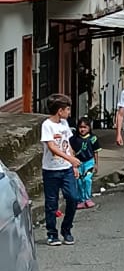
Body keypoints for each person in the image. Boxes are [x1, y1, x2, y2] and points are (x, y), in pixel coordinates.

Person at [41, 93, 81, 247]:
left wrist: (72, 164)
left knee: (73, 198)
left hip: (66, 170)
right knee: (51, 202)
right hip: (51, 170)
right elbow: (51, 147)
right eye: (67, 109)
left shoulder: (64, 124)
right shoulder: (47, 125)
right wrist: (69, 158)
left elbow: (67, 144)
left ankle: (66, 229)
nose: (69, 112)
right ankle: (52, 233)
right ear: (60, 110)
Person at [70, 117, 100, 208]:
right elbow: (71, 151)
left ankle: (87, 198)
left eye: (85, 127)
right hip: (78, 163)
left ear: (89, 128)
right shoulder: (74, 139)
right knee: (79, 181)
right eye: (80, 127)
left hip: (89, 162)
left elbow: (95, 151)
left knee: (87, 180)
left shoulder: (93, 138)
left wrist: (96, 163)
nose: (82, 129)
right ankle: (81, 200)